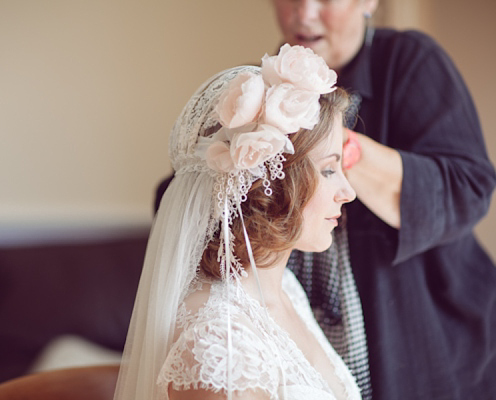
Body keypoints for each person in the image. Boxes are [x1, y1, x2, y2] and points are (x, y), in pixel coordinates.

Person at [156, 1, 496, 399]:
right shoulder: (251, 97)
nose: (304, 13)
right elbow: (187, 198)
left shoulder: (409, 62)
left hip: (425, 339)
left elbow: (468, 188)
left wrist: (329, 144)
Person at [116, 46, 362, 399]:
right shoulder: (220, 340)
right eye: (327, 169)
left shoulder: (286, 288)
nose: (348, 191)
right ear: (272, 183)